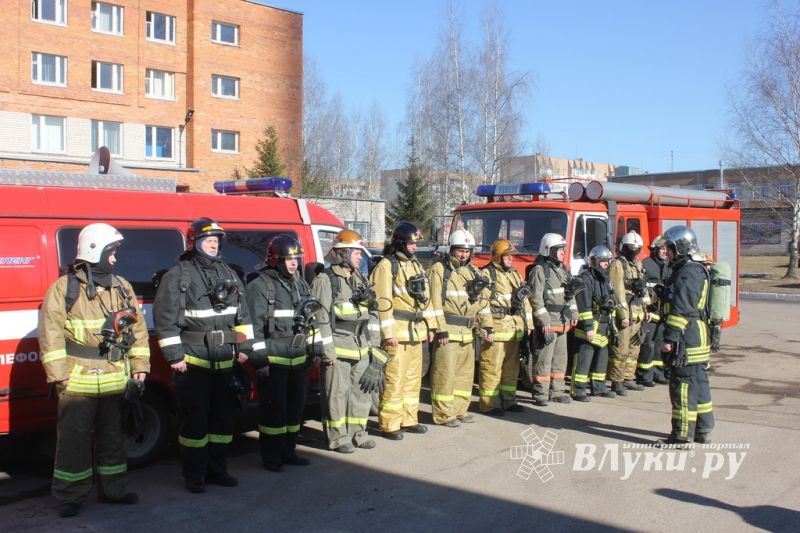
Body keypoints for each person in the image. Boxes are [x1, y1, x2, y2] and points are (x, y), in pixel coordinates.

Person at [40, 223, 150, 517]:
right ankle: (71, 496)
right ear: (94, 252)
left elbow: (137, 331)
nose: (114, 259)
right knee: (73, 441)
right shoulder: (64, 289)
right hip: (77, 381)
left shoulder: (122, 287)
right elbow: (49, 333)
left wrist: (140, 366)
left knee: (114, 439)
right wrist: (58, 374)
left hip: (115, 378)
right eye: (110, 253)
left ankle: (114, 490)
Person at [154, 218, 253, 493]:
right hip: (194, 364)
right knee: (195, 422)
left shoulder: (230, 274)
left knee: (222, 422)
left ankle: (218, 470)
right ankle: (194, 474)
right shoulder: (179, 276)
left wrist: (244, 348)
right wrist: (175, 356)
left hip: (225, 362)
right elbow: (166, 320)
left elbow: (243, 318)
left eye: (217, 240)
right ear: (194, 243)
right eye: (208, 239)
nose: (213, 244)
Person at [246, 234, 316, 470]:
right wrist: (259, 360)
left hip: (298, 359)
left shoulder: (299, 283)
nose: (294, 263)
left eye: (296, 258)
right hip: (273, 362)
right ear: (275, 259)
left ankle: (289, 451)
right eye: (288, 259)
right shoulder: (259, 286)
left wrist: (312, 350)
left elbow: (310, 319)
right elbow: (252, 327)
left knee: (295, 410)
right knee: (274, 412)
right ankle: (271, 456)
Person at [310, 229, 383, 453]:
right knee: (337, 395)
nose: (361, 257)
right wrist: (327, 352)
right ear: (343, 253)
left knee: (360, 393)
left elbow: (373, 316)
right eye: (357, 253)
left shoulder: (360, 279)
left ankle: (358, 432)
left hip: (360, 347)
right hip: (338, 348)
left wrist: (375, 350)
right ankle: (337, 437)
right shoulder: (325, 280)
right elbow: (319, 319)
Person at [370, 222, 434, 440]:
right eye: (410, 243)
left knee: (412, 379)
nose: (414, 247)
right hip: (397, 332)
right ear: (400, 243)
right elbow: (383, 302)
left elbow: (424, 299)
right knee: (394, 378)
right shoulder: (387, 266)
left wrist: (428, 326)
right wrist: (388, 334)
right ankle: (390, 423)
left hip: (415, 331)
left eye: (416, 243)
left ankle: (409, 419)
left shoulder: (415, 265)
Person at [428, 229, 491, 427]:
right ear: (451, 249)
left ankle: (459, 410)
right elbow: (434, 301)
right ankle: (444, 415)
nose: (464, 254)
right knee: (444, 374)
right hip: (448, 330)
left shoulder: (473, 271)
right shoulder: (439, 269)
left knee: (464, 376)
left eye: (467, 251)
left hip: (468, 332)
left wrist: (487, 326)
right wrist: (439, 329)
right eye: (460, 250)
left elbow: (484, 302)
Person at [659, 226, 714, 446]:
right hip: (695, 336)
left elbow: (681, 308)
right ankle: (703, 429)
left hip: (686, 338)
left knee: (682, 386)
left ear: (681, 247)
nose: (667, 252)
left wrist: (670, 339)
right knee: (698, 384)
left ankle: (681, 436)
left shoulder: (688, 271)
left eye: (670, 248)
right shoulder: (691, 269)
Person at [478, 239, 533, 415]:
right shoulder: (487, 274)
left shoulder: (514, 274)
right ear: (497, 257)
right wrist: (486, 328)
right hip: (497, 329)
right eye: (507, 256)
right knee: (491, 369)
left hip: (514, 329)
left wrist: (528, 324)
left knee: (511, 369)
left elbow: (525, 301)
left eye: (511, 256)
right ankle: (489, 404)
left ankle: (509, 401)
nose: (510, 259)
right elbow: (482, 303)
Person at [528, 233, 578, 406]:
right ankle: (540, 393)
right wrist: (544, 322)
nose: (562, 252)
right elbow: (536, 299)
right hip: (549, 322)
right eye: (559, 250)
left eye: (563, 249)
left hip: (562, 321)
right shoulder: (540, 270)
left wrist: (573, 314)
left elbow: (570, 294)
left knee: (560, 359)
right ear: (548, 250)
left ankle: (557, 391)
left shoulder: (562, 269)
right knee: (543, 359)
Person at [607, 230, 651, 396]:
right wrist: (623, 315)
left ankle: (628, 377)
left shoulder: (638, 264)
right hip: (626, 312)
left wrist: (647, 309)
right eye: (631, 247)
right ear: (624, 247)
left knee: (634, 349)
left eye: (637, 247)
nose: (634, 250)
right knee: (621, 349)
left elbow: (643, 288)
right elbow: (618, 291)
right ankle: (616, 381)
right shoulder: (618, 265)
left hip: (638, 311)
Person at [571, 245, 617, 400]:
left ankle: (599, 387)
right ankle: (578, 390)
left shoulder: (605, 278)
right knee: (585, 358)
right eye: (604, 261)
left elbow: (611, 297)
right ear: (595, 261)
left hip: (604, 324)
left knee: (602, 358)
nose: (606, 264)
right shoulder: (586, 278)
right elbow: (584, 305)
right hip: (590, 326)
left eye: (608, 261)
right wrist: (588, 328)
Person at [637, 236, 671, 386]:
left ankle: (658, 372)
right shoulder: (646, 264)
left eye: (666, 249)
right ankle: (645, 375)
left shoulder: (670, 266)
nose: (664, 251)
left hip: (664, 312)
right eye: (662, 248)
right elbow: (641, 290)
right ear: (655, 249)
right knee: (648, 345)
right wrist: (646, 310)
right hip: (650, 311)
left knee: (660, 344)